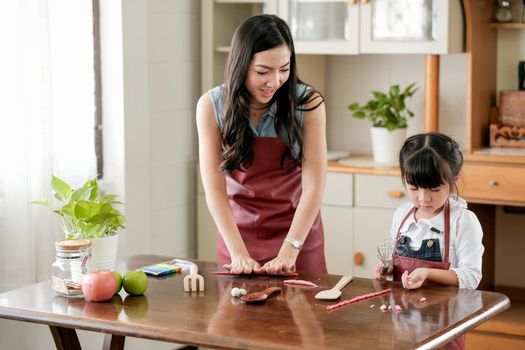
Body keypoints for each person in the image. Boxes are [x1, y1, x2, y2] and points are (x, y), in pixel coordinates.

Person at [196, 14, 327, 275]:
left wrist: (290, 250)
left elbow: (314, 187)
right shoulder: (211, 106)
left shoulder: (308, 104)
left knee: (303, 313)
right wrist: (238, 253)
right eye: (262, 72)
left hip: (297, 236)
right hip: (237, 237)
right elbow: (215, 191)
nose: (274, 81)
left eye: (284, 69)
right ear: (241, 65)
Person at [374, 132, 484, 291]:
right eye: (413, 188)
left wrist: (427, 273)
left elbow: (471, 276)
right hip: (403, 311)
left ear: (455, 179)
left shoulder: (462, 221)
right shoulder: (402, 214)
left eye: (434, 189)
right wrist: (387, 268)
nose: (423, 198)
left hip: (446, 312)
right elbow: (393, 260)